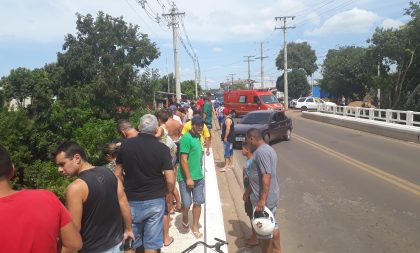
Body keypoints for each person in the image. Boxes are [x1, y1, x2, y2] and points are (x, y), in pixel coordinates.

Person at [53, 141, 133, 253]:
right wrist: (129, 229)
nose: (60, 170)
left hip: (93, 249)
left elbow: (74, 230)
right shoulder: (110, 173)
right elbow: (123, 202)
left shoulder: (76, 188)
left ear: (77, 158)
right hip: (117, 243)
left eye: (62, 164)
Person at [0, 144, 82, 253]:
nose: (60, 170)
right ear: (12, 170)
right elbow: (74, 244)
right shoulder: (46, 197)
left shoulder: (76, 187)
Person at [115, 114, 175, 252]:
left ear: (139, 127)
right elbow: (170, 179)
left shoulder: (125, 146)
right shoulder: (162, 149)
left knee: (130, 241)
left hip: (131, 200)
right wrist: (168, 194)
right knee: (151, 243)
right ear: (155, 130)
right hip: (155, 200)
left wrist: (122, 191)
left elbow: (117, 174)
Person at [245, 128, 281, 253]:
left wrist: (262, 200)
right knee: (273, 225)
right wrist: (248, 191)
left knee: (264, 233)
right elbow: (259, 177)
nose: (248, 143)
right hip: (270, 198)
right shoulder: (269, 149)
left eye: (248, 140)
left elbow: (266, 176)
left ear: (252, 139)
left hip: (264, 203)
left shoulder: (261, 152)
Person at [178, 116, 205, 239]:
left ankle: (194, 226)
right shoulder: (186, 138)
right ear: (192, 125)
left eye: (202, 125)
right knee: (187, 204)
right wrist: (189, 177)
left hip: (199, 177)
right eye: (198, 125)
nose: (200, 127)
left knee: (198, 202)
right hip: (185, 177)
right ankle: (185, 216)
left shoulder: (198, 137)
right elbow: (183, 159)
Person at [241, 143, 258, 247]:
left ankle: (255, 238)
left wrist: (246, 194)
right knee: (252, 216)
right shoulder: (252, 161)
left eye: (243, 148)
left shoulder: (250, 164)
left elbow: (252, 182)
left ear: (247, 150)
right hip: (250, 193)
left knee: (252, 216)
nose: (241, 150)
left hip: (251, 195)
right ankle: (254, 236)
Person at [220, 108, 234, 172]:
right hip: (231, 138)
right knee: (230, 151)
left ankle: (226, 166)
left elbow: (227, 129)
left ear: (224, 113)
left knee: (226, 151)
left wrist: (225, 137)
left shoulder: (227, 120)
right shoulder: (230, 119)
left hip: (228, 138)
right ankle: (231, 164)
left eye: (223, 113)